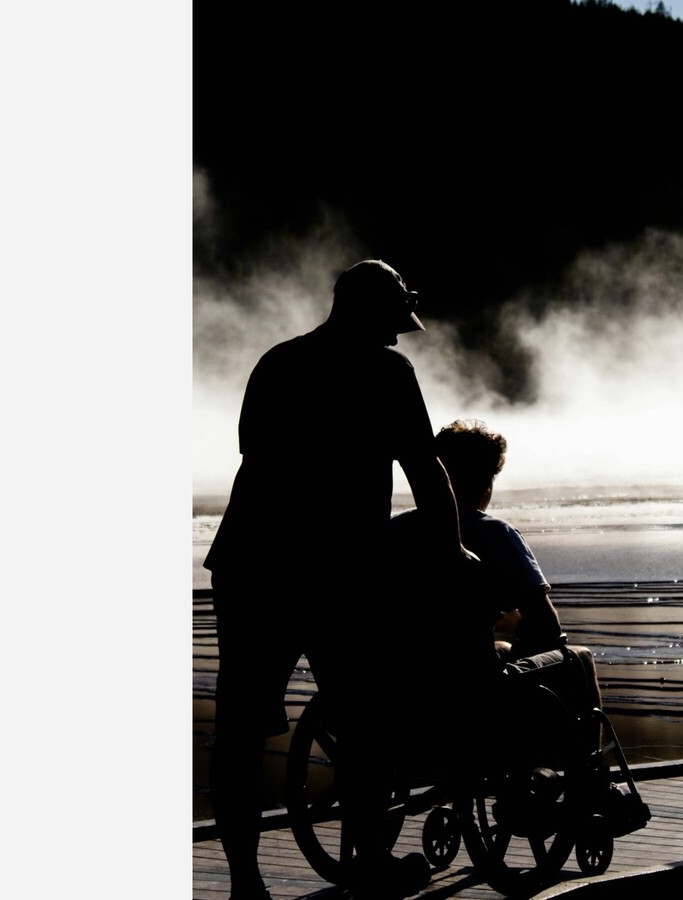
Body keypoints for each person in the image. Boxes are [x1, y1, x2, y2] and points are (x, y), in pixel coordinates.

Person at [203, 259, 475, 900]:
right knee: (365, 720)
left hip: (249, 565)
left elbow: (258, 458)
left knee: (241, 731)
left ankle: (245, 885)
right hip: (336, 573)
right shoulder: (387, 372)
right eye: (394, 321)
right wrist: (453, 549)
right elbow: (425, 468)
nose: (399, 334)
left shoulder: (277, 363)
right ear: (371, 312)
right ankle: (371, 865)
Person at [387, 419, 603, 773]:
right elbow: (547, 625)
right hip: (473, 693)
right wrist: (519, 628)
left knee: (499, 648)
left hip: (403, 688)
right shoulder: (497, 534)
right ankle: (587, 778)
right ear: (486, 481)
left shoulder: (396, 531)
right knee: (578, 658)